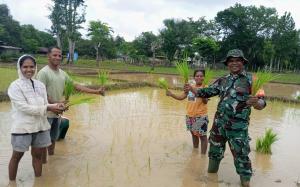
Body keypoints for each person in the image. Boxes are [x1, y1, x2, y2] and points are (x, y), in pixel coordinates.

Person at [184, 49, 266, 187]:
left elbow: (262, 102)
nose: (234, 63)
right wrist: (192, 89)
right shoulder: (223, 80)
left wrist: (257, 102)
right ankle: (211, 180)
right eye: (231, 61)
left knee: (241, 157)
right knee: (214, 154)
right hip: (219, 126)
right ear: (227, 64)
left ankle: (245, 183)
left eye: (237, 60)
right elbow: (207, 91)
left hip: (238, 129)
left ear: (243, 62)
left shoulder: (252, 80)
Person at [36, 47, 105, 161]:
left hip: (56, 113)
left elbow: (75, 85)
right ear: (48, 56)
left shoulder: (62, 74)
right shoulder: (43, 73)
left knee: (53, 140)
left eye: (60, 55)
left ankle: (51, 165)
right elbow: (41, 95)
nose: (58, 57)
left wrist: (96, 91)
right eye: (55, 55)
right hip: (46, 114)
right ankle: (43, 166)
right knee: (44, 143)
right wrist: (56, 104)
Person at [7, 55, 65, 180]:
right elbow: (24, 107)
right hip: (23, 127)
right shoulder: (15, 86)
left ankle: (39, 181)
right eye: (25, 67)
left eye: (32, 66)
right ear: (20, 67)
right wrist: (49, 108)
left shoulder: (40, 85)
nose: (29, 70)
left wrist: (57, 105)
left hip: (40, 126)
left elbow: (44, 104)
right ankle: (11, 183)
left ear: (35, 67)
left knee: (38, 155)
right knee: (17, 156)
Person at [166, 69, 208, 154]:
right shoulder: (190, 86)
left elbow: (205, 101)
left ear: (204, 77)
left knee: (202, 137)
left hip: (200, 116)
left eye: (201, 76)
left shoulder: (206, 87)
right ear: (194, 77)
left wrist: (193, 89)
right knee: (193, 134)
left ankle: (203, 157)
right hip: (190, 116)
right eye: (197, 76)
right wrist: (171, 94)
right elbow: (181, 97)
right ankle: (195, 152)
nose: (199, 77)